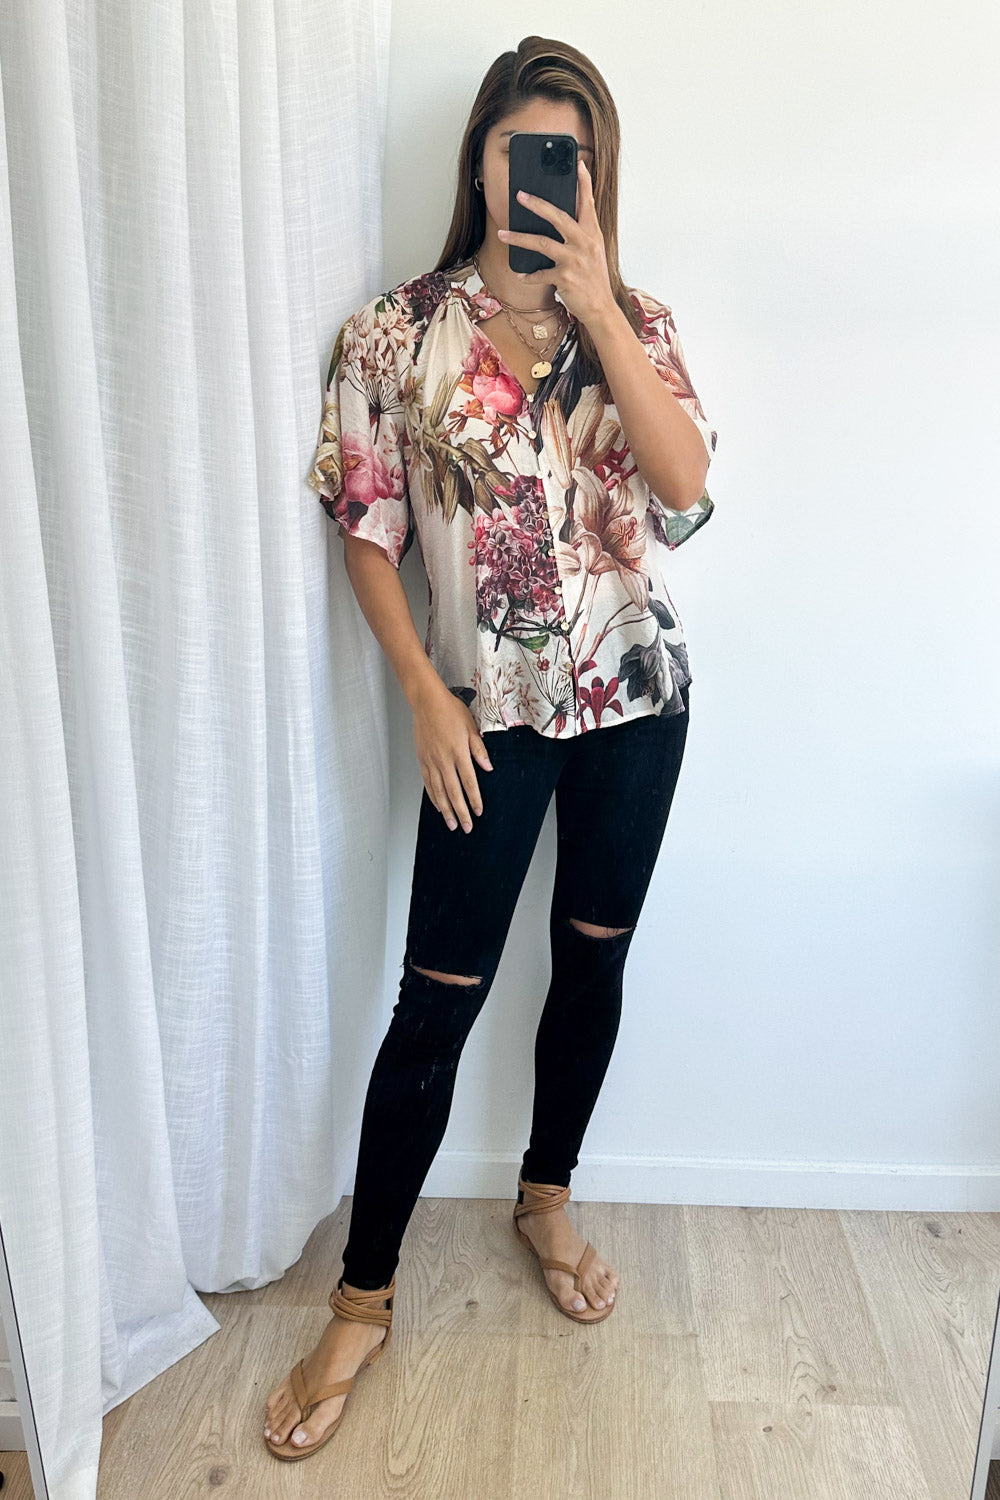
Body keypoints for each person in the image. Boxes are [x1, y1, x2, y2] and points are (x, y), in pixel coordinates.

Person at [264, 34, 717, 1462]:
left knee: (592, 963)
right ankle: (363, 1295)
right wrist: (419, 689)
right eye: (523, 150)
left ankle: (546, 1197)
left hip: (637, 708)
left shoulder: (639, 321)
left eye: (570, 159)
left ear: (597, 177)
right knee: (436, 1000)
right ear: (480, 160)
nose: (544, 178)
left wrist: (598, 308)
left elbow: (688, 492)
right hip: (487, 722)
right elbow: (369, 527)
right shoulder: (394, 335)